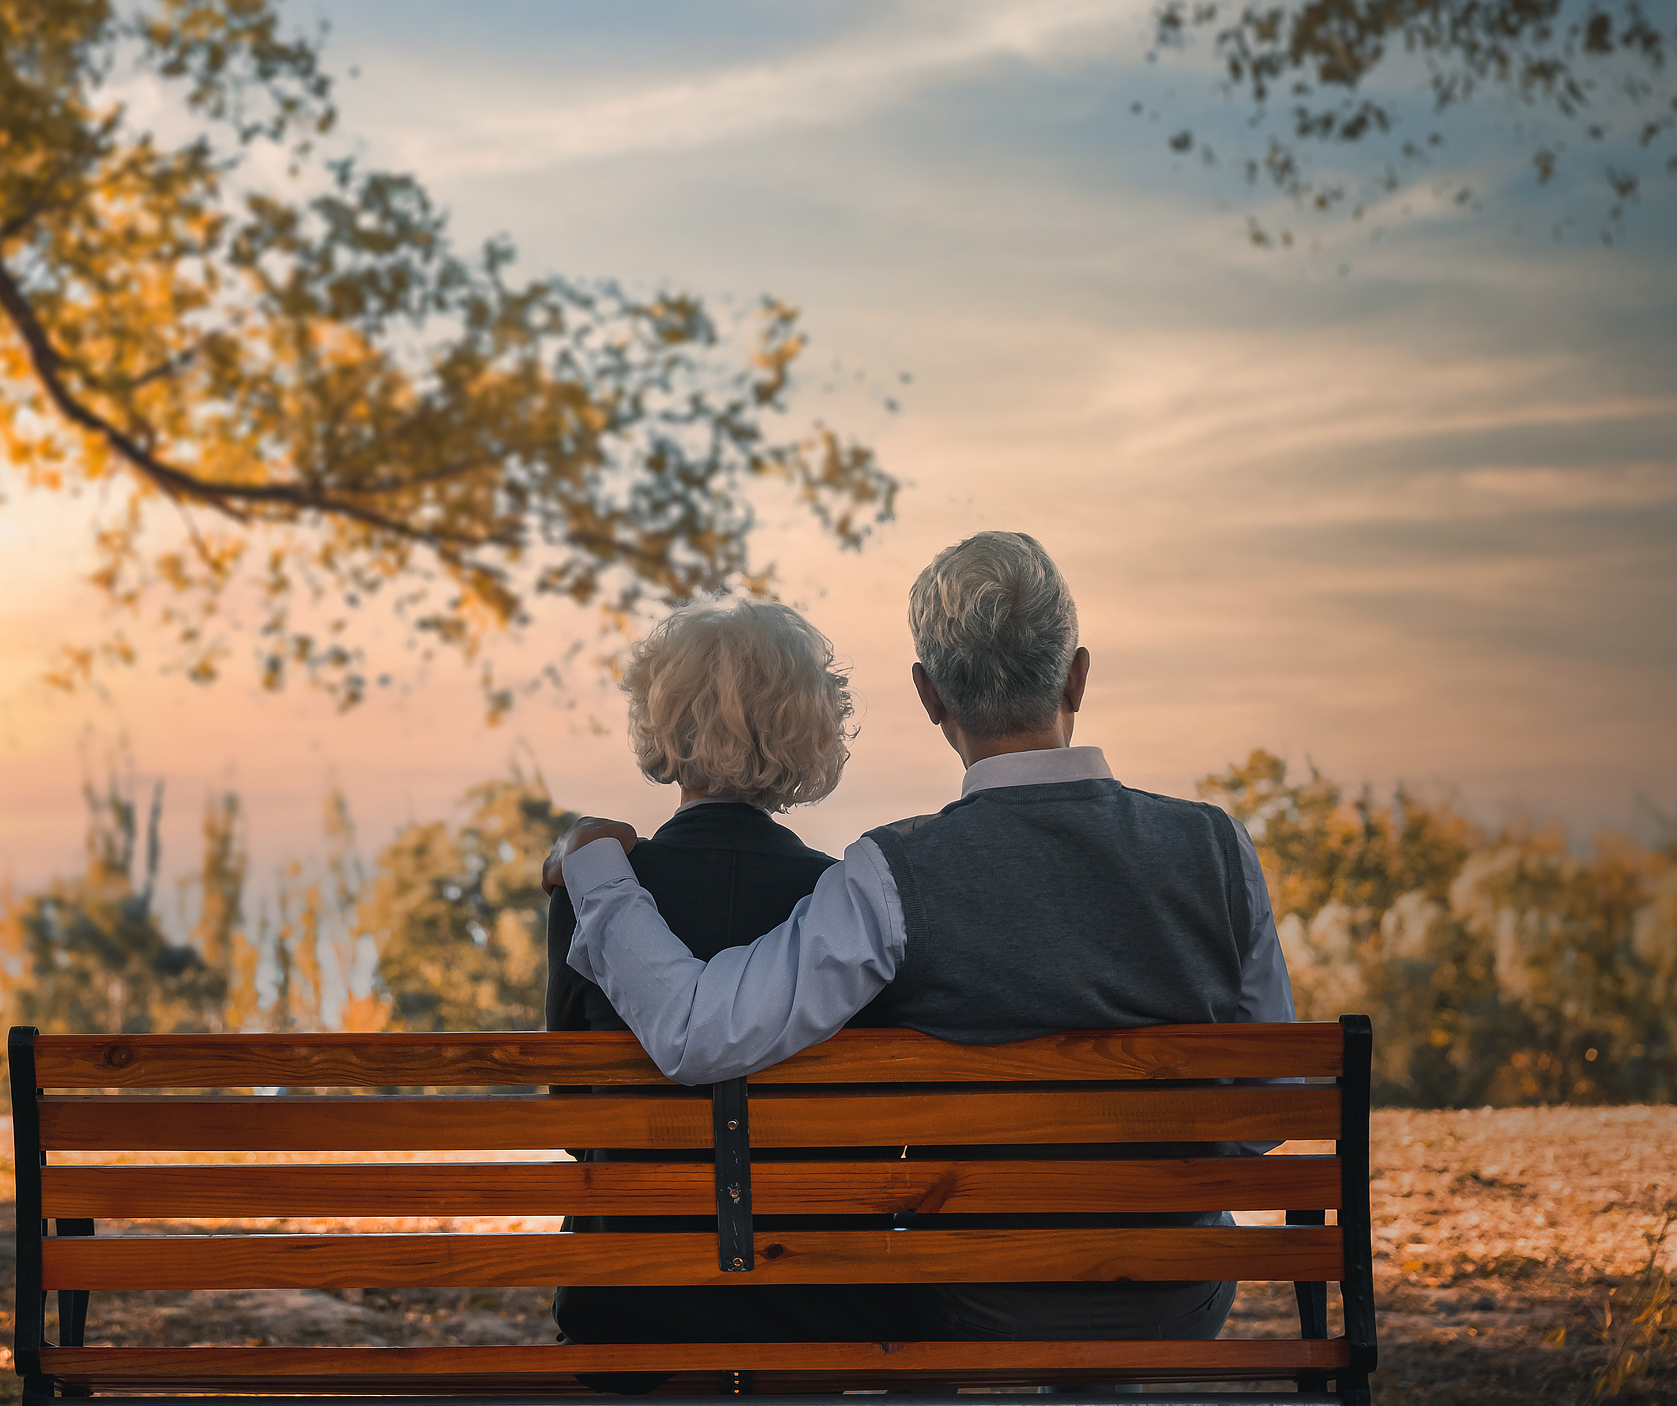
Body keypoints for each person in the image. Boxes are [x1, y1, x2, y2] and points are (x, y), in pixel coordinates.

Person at [545, 530, 1296, 1349]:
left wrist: (595, 872)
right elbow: (1263, 1111)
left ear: (929, 694)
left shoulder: (895, 874)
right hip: (1176, 1287)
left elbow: (700, 1031)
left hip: (981, 1299)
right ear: (1078, 673)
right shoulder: (1218, 847)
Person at [542, 596, 922, 1362]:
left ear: (661, 723)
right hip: (822, 1313)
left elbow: (576, 1125)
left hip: (629, 1313)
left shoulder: (594, 894)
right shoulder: (847, 907)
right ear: (809, 730)